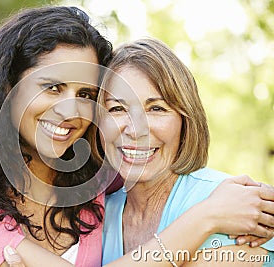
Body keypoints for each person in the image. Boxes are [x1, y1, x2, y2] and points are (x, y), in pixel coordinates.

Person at [0, 6, 274, 267]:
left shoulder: (96, 190)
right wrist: (205, 218)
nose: (71, 111)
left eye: (86, 95)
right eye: (52, 87)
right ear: (6, 89)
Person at [99, 37, 274, 266]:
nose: (135, 129)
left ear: (185, 121)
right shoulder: (98, 216)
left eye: (156, 108)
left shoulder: (237, 204)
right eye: (117, 108)